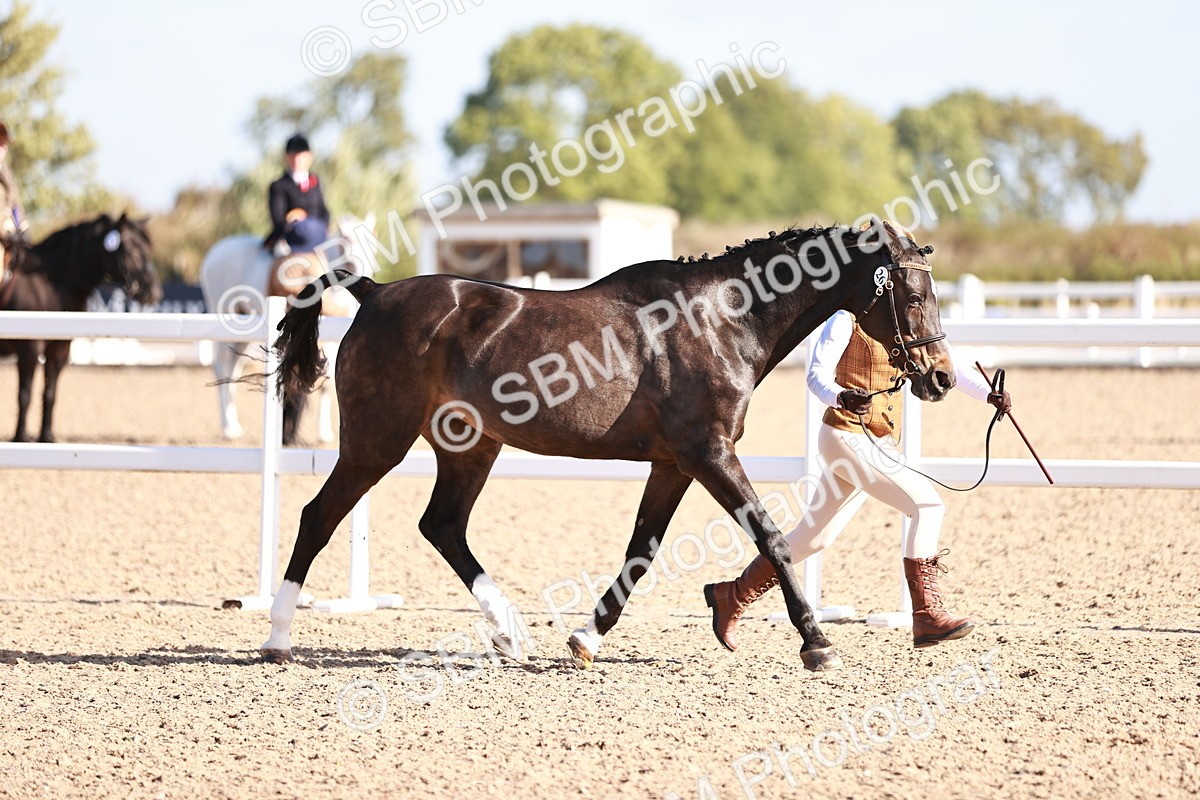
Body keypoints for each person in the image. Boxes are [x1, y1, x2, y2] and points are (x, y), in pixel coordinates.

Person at [704, 287, 1012, 652]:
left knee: (815, 536)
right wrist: (840, 396)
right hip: (845, 437)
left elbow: (948, 364)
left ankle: (732, 594)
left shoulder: (904, 322)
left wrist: (988, 392)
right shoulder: (844, 318)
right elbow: (815, 373)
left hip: (876, 440)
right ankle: (926, 616)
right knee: (928, 506)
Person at [263, 133, 330, 256]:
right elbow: (277, 219)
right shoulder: (279, 185)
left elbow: (324, 211)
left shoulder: (316, 182)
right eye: (293, 155)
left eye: (300, 155)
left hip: (316, 236)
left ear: (309, 157)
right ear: (287, 158)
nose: (296, 159)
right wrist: (293, 221)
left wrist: (317, 226)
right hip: (291, 238)